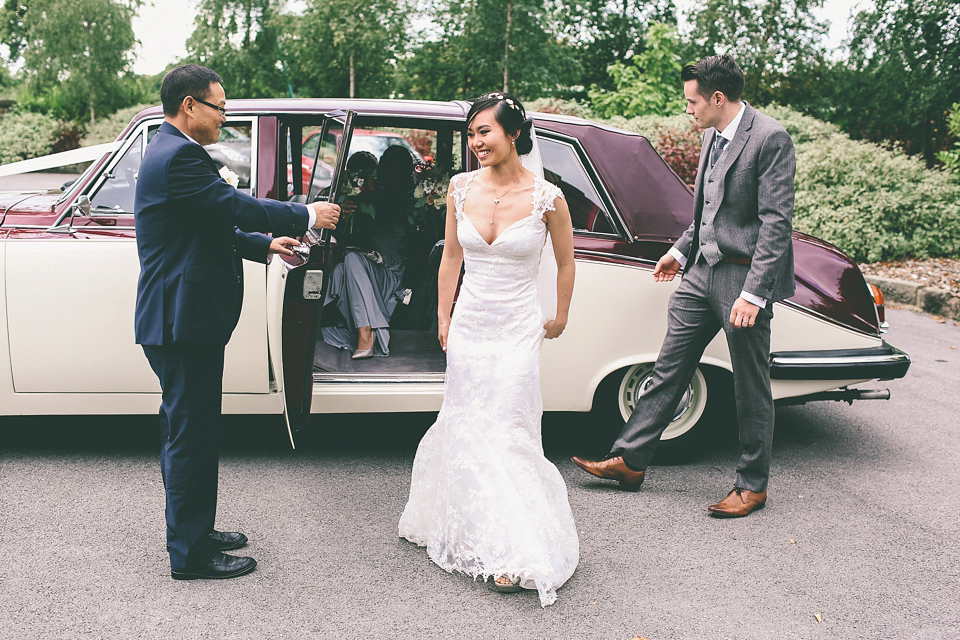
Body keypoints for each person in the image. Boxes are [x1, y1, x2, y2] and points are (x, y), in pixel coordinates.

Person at [134, 64, 339, 580]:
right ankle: (191, 554)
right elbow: (231, 206)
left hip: (185, 318)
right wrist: (306, 216)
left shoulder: (175, 151)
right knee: (191, 435)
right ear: (190, 106)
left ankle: (196, 530)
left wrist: (264, 244)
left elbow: (209, 224)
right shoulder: (179, 156)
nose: (224, 118)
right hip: (181, 322)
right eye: (219, 107)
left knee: (194, 430)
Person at [572, 55, 796, 518]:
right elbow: (706, 210)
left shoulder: (770, 138)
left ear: (718, 98)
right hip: (701, 274)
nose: (687, 109)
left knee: (750, 385)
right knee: (669, 365)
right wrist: (679, 249)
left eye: (692, 101)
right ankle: (630, 460)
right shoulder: (713, 135)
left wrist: (754, 294)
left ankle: (752, 486)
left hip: (743, 278)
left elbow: (776, 223)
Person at [398, 92, 579, 607]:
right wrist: (442, 315)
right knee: (468, 421)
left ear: (513, 134)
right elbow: (451, 257)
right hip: (471, 324)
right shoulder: (459, 189)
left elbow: (566, 262)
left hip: (518, 327)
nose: (477, 142)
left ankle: (515, 547)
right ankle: (477, 529)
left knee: (507, 426)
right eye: (472, 134)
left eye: (486, 132)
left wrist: (561, 312)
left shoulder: (549, 198)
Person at [321, 147, 414, 358]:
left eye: (397, 171)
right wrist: (343, 213)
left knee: (351, 261)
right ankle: (359, 330)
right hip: (363, 271)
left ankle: (366, 334)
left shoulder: (407, 203)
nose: (390, 176)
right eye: (387, 170)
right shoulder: (368, 199)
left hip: (390, 277)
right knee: (342, 268)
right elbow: (347, 239)